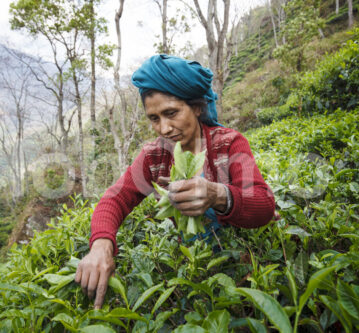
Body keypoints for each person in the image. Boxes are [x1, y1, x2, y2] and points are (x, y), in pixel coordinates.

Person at [74, 54, 276, 309]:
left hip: (244, 262)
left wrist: (218, 195)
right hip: (194, 266)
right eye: (154, 118)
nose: (164, 128)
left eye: (171, 113)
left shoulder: (229, 144)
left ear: (197, 107)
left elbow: (264, 204)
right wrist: (101, 244)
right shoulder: (155, 156)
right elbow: (116, 199)